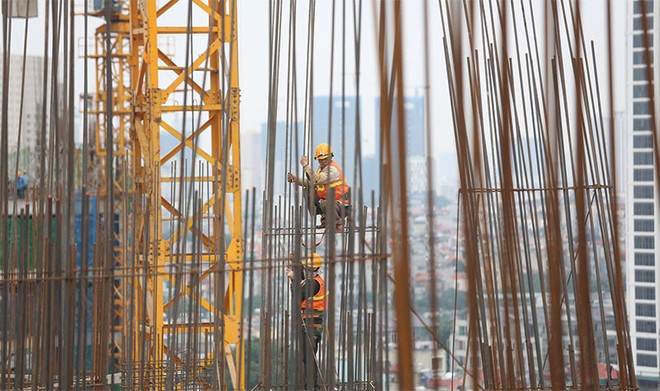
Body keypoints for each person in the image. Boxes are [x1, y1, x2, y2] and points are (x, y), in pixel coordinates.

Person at [286, 143, 351, 232]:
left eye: (325, 159)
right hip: (331, 203)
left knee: (324, 203)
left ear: (331, 157)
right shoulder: (322, 169)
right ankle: (325, 219)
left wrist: (305, 166)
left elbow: (316, 179)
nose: (323, 161)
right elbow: (311, 183)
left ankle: (338, 223)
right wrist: (295, 179)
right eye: (320, 160)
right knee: (310, 191)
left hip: (342, 205)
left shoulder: (333, 170)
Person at [286, 252, 327, 390]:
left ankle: (311, 387)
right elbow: (303, 284)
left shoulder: (314, 283)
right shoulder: (314, 281)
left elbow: (298, 295)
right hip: (310, 325)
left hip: (311, 326)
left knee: (309, 359)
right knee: (307, 358)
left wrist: (293, 279)